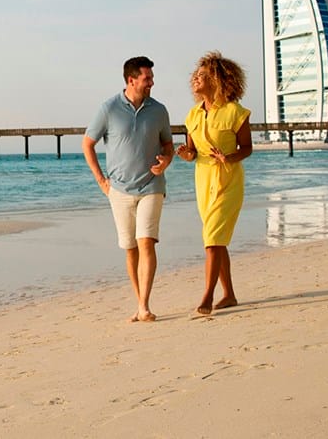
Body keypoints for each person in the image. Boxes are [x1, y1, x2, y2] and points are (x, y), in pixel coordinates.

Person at [83, 56, 174, 323]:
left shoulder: (159, 110)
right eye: (147, 78)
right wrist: (102, 181)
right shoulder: (108, 109)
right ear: (131, 80)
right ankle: (139, 302)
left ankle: (144, 305)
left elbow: (168, 145)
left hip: (152, 185)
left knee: (147, 242)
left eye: (151, 78)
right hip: (119, 190)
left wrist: (166, 160)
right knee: (130, 247)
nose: (152, 83)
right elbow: (88, 144)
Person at [175, 51, 252, 318]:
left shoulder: (235, 112)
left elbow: (247, 148)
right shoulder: (193, 115)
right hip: (203, 181)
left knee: (211, 240)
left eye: (202, 75)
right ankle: (229, 295)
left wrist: (228, 156)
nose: (196, 79)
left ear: (217, 80)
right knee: (217, 241)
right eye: (195, 75)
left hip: (229, 181)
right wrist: (186, 154)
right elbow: (193, 151)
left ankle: (207, 295)